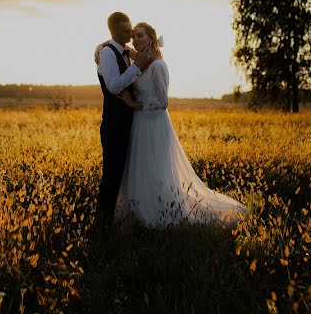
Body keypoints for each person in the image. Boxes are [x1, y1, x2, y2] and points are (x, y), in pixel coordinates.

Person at [97, 22, 247, 228]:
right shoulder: (141, 59)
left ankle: (160, 210)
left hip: (153, 123)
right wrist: (102, 46)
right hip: (139, 123)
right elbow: (115, 47)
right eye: (134, 36)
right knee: (141, 168)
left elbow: (162, 102)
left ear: (151, 39)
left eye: (141, 36)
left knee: (156, 169)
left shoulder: (158, 65)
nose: (136, 40)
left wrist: (133, 103)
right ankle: (139, 210)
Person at [95, 12, 153, 230]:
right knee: (111, 178)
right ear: (114, 32)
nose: (130, 33)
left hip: (128, 124)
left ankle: (122, 222)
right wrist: (137, 67)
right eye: (125, 31)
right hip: (113, 126)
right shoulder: (109, 54)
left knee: (124, 176)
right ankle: (102, 226)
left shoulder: (124, 51)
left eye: (130, 29)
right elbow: (114, 86)